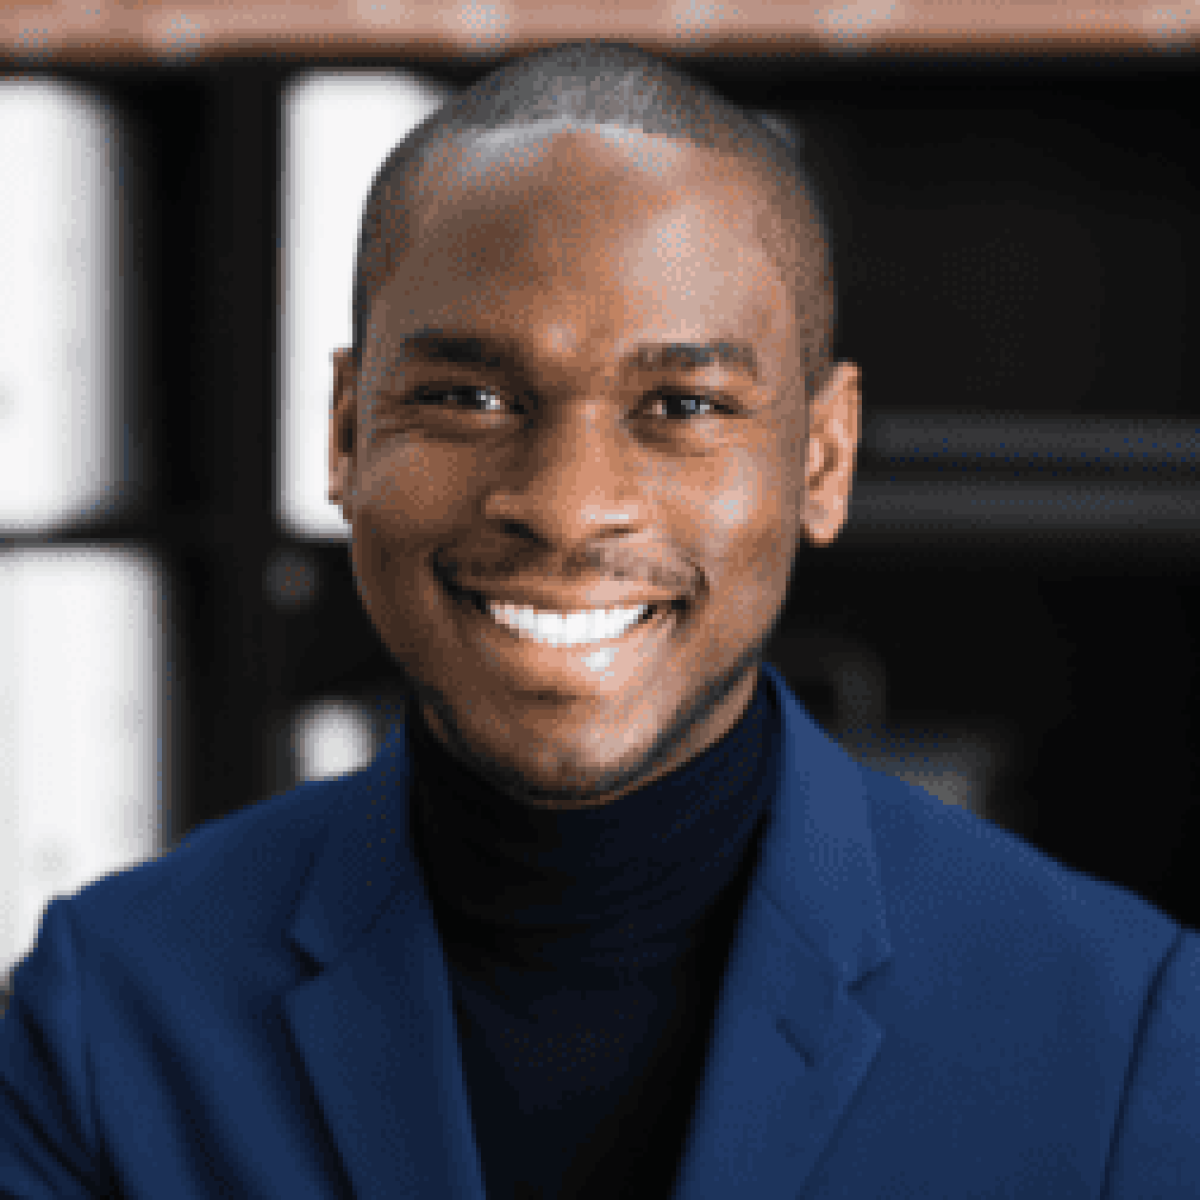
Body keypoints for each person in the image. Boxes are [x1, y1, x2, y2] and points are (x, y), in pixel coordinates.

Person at [1, 39, 1197, 1200]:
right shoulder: (108, 1018)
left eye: (681, 403)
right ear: (347, 435)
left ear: (823, 460)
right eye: (468, 396)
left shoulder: (1120, 1028)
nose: (568, 512)